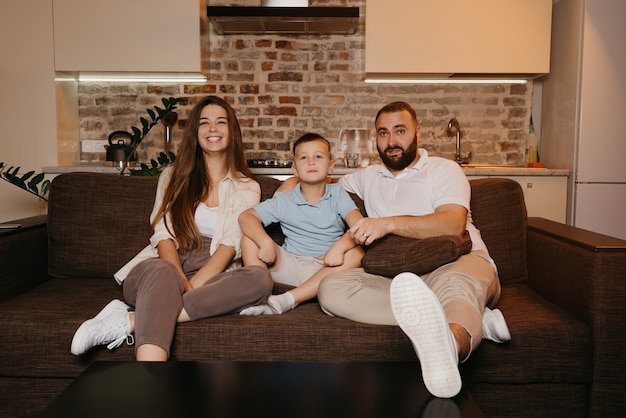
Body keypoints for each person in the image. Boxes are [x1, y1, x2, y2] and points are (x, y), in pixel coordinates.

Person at [313, 101, 510, 398]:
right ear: (375, 138)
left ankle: (451, 347)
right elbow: (319, 183)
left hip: (456, 262)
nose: (391, 141)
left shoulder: (443, 169)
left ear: (418, 133)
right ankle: (474, 317)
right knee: (331, 288)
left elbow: (452, 224)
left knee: (456, 286)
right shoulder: (367, 177)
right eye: (383, 133)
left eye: (399, 131)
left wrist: (386, 224)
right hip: (395, 276)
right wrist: (288, 183)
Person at [71, 95, 273, 361]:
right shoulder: (171, 176)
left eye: (221, 122)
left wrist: (196, 284)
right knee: (164, 270)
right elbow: (162, 232)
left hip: (214, 272)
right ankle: (150, 382)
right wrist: (179, 278)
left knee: (260, 279)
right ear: (195, 132)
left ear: (231, 131)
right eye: (205, 123)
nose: (213, 128)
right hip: (163, 266)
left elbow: (231, 243)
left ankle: (128, 320)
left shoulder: (248, 186)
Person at [237, 133, 364, 315]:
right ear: (295, 169)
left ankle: (288, 299)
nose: (311, 162)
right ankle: (261, 299)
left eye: (318, 156)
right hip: (292, 266)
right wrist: (265, 241)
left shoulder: (337, 194)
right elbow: (246, 217)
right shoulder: (285, 200)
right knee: (248, 240)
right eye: (304, 157)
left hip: (328, 268)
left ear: (330, 166)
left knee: (356, 253)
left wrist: (340, 246)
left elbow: (360, 226)